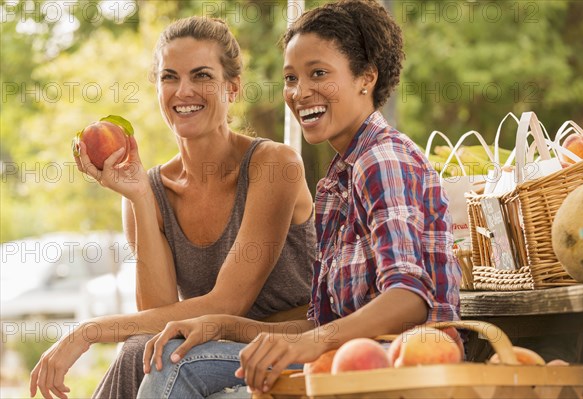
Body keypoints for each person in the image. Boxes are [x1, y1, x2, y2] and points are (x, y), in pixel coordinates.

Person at [137, 0, 462, 397]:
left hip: (398, 370)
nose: (301, 92)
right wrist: (221, 326)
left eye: (318, 74)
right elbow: (320, 326)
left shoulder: (382, 158)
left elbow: (409, 298)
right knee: (170, 354)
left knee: (175, 369)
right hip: (341, 361)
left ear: (366, 78)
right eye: (291, 78)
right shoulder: (336, 182)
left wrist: (311, 343)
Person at [29, 16, 316, 399]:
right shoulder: (152, 189)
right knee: (141, 351)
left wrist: (90, 330)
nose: (183, 91)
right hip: (202, 350)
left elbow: (228, 304)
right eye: (169, 77)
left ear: (231, 89)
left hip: (283, 348)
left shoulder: (274, 165)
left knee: (149, 353)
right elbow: (155, 319)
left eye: (201, 76)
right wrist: (141, 199)